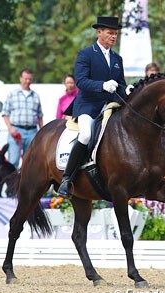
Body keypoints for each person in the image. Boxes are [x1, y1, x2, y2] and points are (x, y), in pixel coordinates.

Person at [58, 16, 127, 198]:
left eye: (115, 34)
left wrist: (129, 90)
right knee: (87, 134)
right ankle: (67, 178)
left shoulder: (117, 58)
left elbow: (121, 84)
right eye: (110, 33)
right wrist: (102, 85)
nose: (114, 37)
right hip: (88, 105)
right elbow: (80, 81)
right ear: (99, 32)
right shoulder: (86, 54)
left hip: (110, 106)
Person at [2, 68, 43, 169]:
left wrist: (41, 132)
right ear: (20, 78)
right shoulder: (12, 94)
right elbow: (5, 114)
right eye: (26, 79)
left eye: (30, 79)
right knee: (13, 161)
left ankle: (25, 184)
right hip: (16, 131)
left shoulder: (35, 96)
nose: (28, 81)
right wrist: (10, 128)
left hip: (32, 132)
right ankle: (12, 184)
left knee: (29, 162)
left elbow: (40, 116)